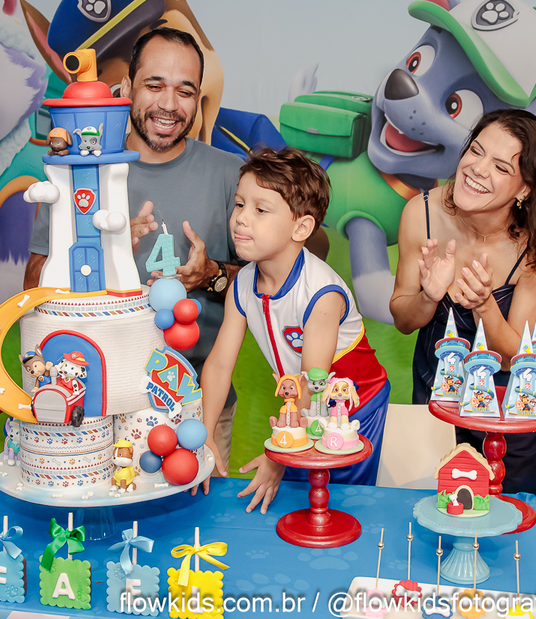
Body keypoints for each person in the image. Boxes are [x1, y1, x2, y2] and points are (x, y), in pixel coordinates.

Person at [26, 27, 243, 467]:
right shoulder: (79, 172)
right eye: (154, 85)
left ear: (198, 99)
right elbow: (33, 290)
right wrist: (104, 251)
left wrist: (212, 275)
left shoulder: (230, 173)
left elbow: (265, 286)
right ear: (126, 89)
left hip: (198, 406)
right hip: (90, 405)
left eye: (185, 91)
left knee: (195, 512)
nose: (169, 104)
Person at [200, 148, 389, 513]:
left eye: (260, 210)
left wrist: (278, 455)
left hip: (352, 407)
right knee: (297, 503)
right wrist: (205, 434)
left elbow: (314, 381)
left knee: (338, 504)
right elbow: (220, 364)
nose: (241, 219)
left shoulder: (321, 293)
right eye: (239, 204)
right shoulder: (242, 284)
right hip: (302, 404)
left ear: (301, 228)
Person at [389, 109, 536, 499]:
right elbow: (402, 317)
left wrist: (485, 306)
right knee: (436, 508)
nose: (477, 169)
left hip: (507, 410)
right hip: (437, 397)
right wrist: (428, 296)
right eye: (476, 151)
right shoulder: (422, 213)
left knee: (506, 517)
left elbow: (521, 355)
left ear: (525, 189)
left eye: (501, 167)